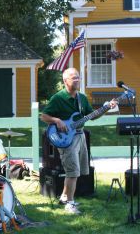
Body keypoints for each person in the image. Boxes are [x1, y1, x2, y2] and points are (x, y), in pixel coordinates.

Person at [40, 68, 117, 214]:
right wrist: (56, 120)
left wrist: (106, 108)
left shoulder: (82, 98)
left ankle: (63, 196)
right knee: (73, 171)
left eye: (78, 77)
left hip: (80, 135)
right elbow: (44, 116)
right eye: (73, 77)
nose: (77, 80)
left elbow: (91, 116)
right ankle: (70, 204)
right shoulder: (58, 98)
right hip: (65, 139)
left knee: (76, 170)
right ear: (65, 80)